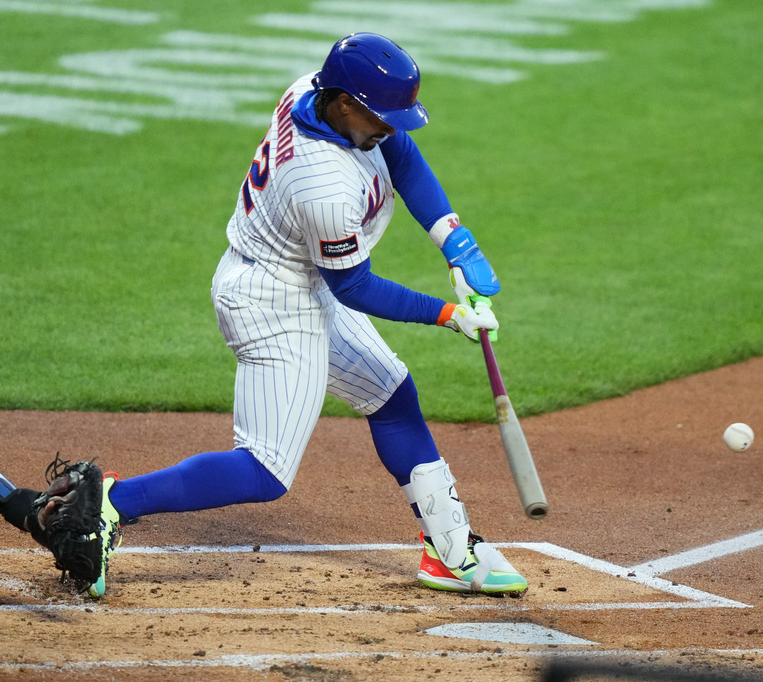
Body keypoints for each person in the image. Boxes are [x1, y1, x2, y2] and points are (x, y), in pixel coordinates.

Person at [91, 33, 527, 600]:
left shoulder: (315, 94)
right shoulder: (322, 184)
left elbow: (398, 154)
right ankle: (109, 503)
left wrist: (456, 242)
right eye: (381, 115)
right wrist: (446, 314)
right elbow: (356, 286)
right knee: (264, 471)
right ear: (346, 103)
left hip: (303, 278)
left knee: (392, 396)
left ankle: (449, 550)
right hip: (272, 299)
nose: (391, 127)